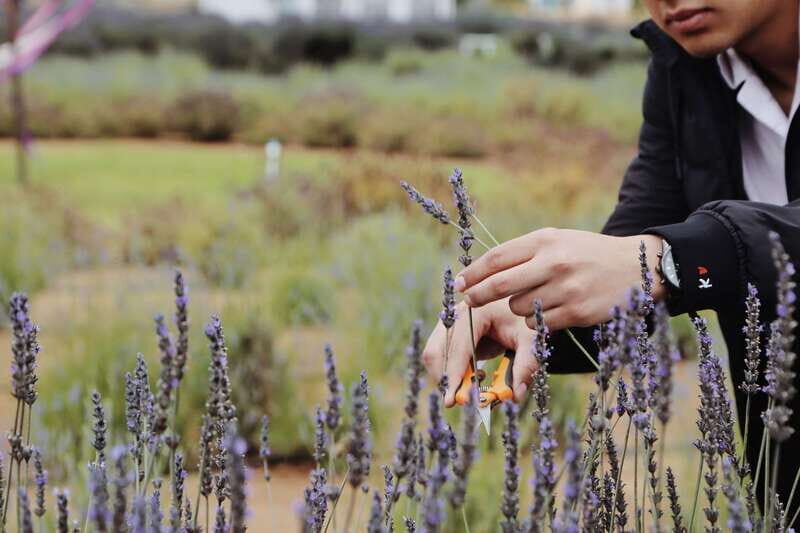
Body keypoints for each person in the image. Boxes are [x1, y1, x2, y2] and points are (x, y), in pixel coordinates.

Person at [422, 0, 799, 503]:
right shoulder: (685, 65)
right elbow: (621, 268)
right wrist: (527, 311)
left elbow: (652, 260)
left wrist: (666, 258)